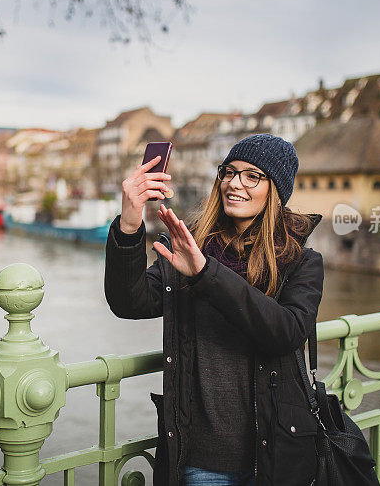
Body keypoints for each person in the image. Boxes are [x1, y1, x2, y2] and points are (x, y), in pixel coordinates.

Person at [104, 134, 324, 486]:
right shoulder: (186, 245)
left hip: (276, 454)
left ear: (276, 191)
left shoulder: (302, 261)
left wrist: (207, 274)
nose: (234, 184)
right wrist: (130, 225)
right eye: (229, 172)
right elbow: (129, 302)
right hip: (201, 459)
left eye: (253, 176)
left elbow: (286, 332)